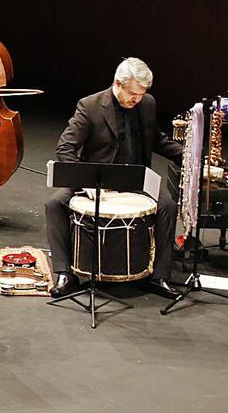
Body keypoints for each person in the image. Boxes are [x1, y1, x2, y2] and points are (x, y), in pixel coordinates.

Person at [46, 57, 183, 299]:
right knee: (55, 204)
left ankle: (160, 276)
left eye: (141, 94)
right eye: (133, 93)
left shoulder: (147, 104)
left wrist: (188, 157)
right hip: (98, 180)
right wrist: (85, 183)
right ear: (117, 84)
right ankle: (65, 273)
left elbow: (157, 139)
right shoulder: (90, 106)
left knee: (168, 205)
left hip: (137, 178)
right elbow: (65, 148)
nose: (137, 99)